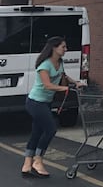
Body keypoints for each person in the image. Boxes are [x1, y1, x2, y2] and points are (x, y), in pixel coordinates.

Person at [21, 36, 86, 178]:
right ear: (54, 48)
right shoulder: (45, 65)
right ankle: (38, 160)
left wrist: (75, 82)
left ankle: (27, 164)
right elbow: (47, 85)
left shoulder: (59, 62)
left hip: (46, 102)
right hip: (35, 102)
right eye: (63, 47)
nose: (66, 49)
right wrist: (64, 89)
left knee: (37, 132)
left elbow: (63, 75)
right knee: (51, 129)